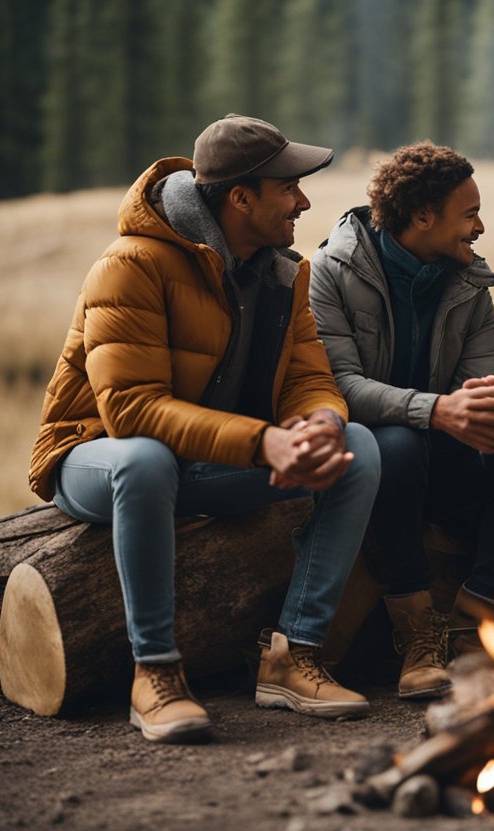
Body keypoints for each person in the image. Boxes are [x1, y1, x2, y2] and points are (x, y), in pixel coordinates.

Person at [28, 115, 382, 743]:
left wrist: (318, 425)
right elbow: (131, 410)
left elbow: (308, 376)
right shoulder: (131, 265)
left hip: (205, 463)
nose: (303, 202)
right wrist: (262, 442)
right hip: (92, 456)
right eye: (288, 188)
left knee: (357, 448)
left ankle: (293, 655)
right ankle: (155, 672)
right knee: (143, 460)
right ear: (240, 197)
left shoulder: (282, 272)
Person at [309, 141, 494, 700]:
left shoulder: (466, 281)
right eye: (469, 215)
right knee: (396, 443)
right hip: (371, 463)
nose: (480, 227)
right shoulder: (331, 272)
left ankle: (475, 620)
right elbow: (340, 386)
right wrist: (437, 410)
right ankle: (417, 632)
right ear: (422, 217)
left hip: (443, 453)